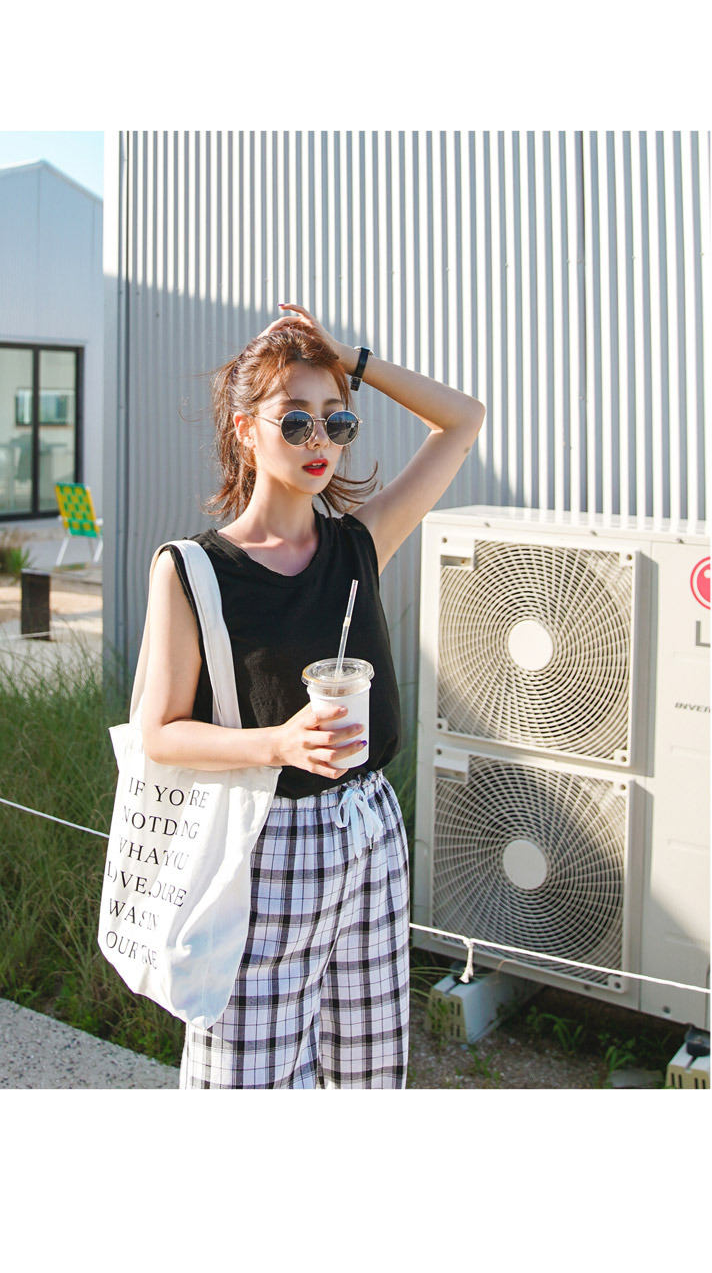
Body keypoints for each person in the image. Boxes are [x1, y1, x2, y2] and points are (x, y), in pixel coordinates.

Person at [141, 304, 485, 1089]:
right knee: (247, 1078)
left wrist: (350, 359)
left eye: (337, 420)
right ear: (245, 430)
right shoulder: (193, 569)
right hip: (264, 842)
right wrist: (279, 742)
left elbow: (463, 420)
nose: (319, 439)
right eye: (295, 420)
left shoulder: (359, 544)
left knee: (366, 1073)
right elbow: (160, 731)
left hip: (370, 828)